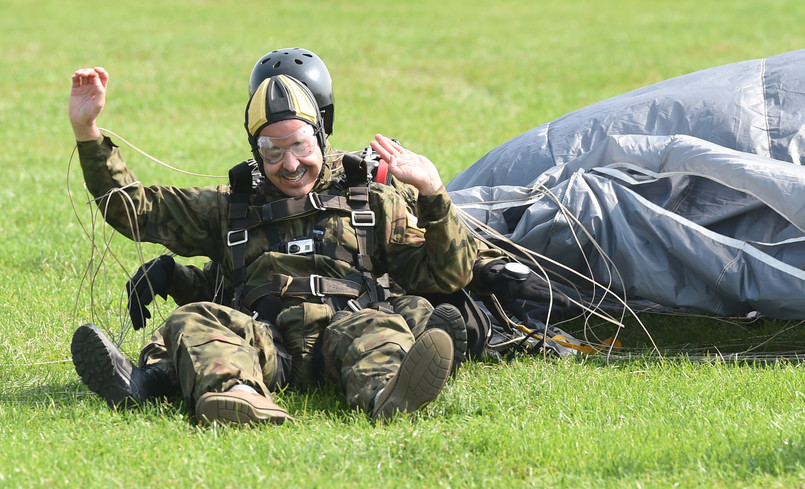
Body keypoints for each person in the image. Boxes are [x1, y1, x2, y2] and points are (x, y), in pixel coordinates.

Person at [68, 66, 480, 425]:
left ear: (320, 138)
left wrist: (433, 192)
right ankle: (238, 395)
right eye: (272, 150)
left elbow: (450, 274)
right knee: (192, 318)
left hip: (351, 329)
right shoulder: (229, 207)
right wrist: (87, 132)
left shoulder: (371, 201)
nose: (290, 163)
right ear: (255, 153)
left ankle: (388, 393)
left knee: (381, 324)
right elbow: (136, 209)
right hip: (266, 342)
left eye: (300, 144)